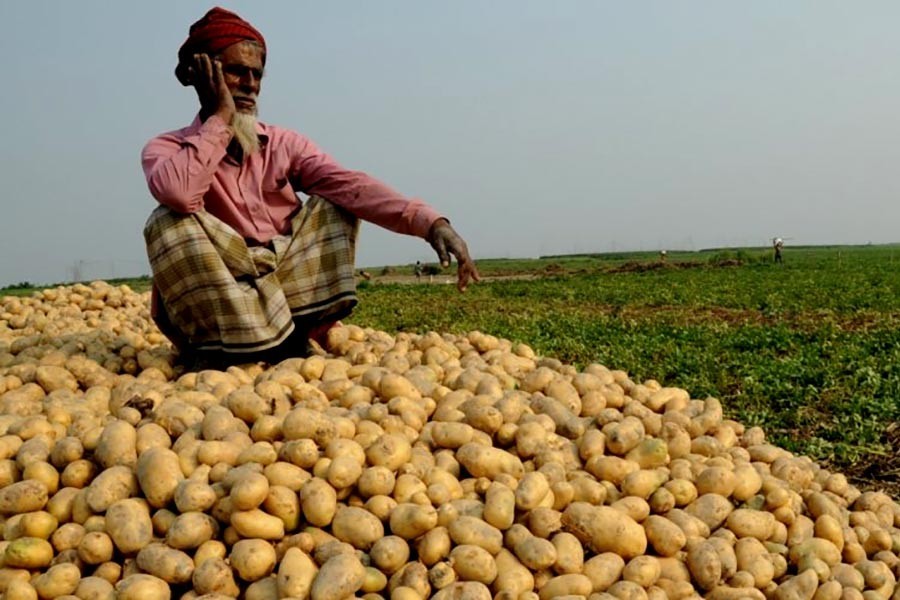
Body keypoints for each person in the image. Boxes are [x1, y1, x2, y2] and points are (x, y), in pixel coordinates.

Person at [141, 7, 480, 368]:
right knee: (166, 220)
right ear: (204, 75)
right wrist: (219, 119)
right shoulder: (167, 149)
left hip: (285, 285)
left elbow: (351, 185)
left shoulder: (284, 144)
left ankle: (290, 339)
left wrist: (430, 223)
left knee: (336, 202)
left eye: (257, 74)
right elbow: (179, 193)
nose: (251, 85)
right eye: (237, 72)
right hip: (223, 300)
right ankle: (220, 351)